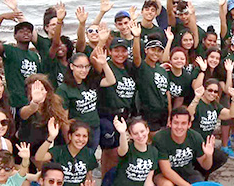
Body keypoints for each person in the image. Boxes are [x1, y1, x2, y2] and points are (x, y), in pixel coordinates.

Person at [106, 116, 173, 186]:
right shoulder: (128, 149)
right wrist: (122, 133)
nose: (140, 136)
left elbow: (148, 180)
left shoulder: (153, 152)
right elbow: (122, 149)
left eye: (142, 131)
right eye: (136, 133)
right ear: (131, 135)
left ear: (147, 130)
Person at [154, 106, 227, 186]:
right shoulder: (160, 138)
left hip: (186, 171)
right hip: (164, 174)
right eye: (176, 123)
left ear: (189, 124)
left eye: (183, 123)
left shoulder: (195, 137)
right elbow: (166, 171)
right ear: (170, 123)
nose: (179, 127)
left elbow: (206, 166)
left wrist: (208, 155)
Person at [57, 45, 116, 152]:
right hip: (77, 133)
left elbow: (111, 81)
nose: (84, 70)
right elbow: (64, 120)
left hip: (94, 128)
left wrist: (104, 64)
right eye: (79, 66)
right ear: (71, 66)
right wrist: (68, 143)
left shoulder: (90, 81)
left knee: (89, 159)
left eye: (87, 66)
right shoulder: (64, 89)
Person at [0, 9, 41, 114]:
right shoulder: (10, 51)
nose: (26, 33)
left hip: (33, 101)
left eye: (28, 31)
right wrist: (1, 18)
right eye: (21, 31)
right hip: (16, 103)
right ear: (15, 36)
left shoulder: (34, 56)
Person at [98, 37, 138, 177]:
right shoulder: (106, 66)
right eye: (116, 51)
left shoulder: (129, 67)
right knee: (109, 151)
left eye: (123, 51)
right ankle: (105, 183)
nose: (120, 54)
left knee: (122, 149)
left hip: (125, 114)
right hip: (108, 113)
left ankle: (113, 179)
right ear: (109, 51)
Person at [35, 118, 97, 186]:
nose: (81, 139)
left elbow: (88, 176)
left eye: (84, 136)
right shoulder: (59, 151)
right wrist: (51, 138)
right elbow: (39, 157)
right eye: (77, 135)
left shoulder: (88, 153)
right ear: (70, 136)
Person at [132, 29, 172, 133]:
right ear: (146, 50)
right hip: (148, 112)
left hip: (163, 112)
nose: (156, 53)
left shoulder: (162, 70)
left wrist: (170, 114)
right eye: (153, 49)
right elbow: (136, 56)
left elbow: (167, 93)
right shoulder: (142, 67)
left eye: (159, 51)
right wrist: (136, 37)